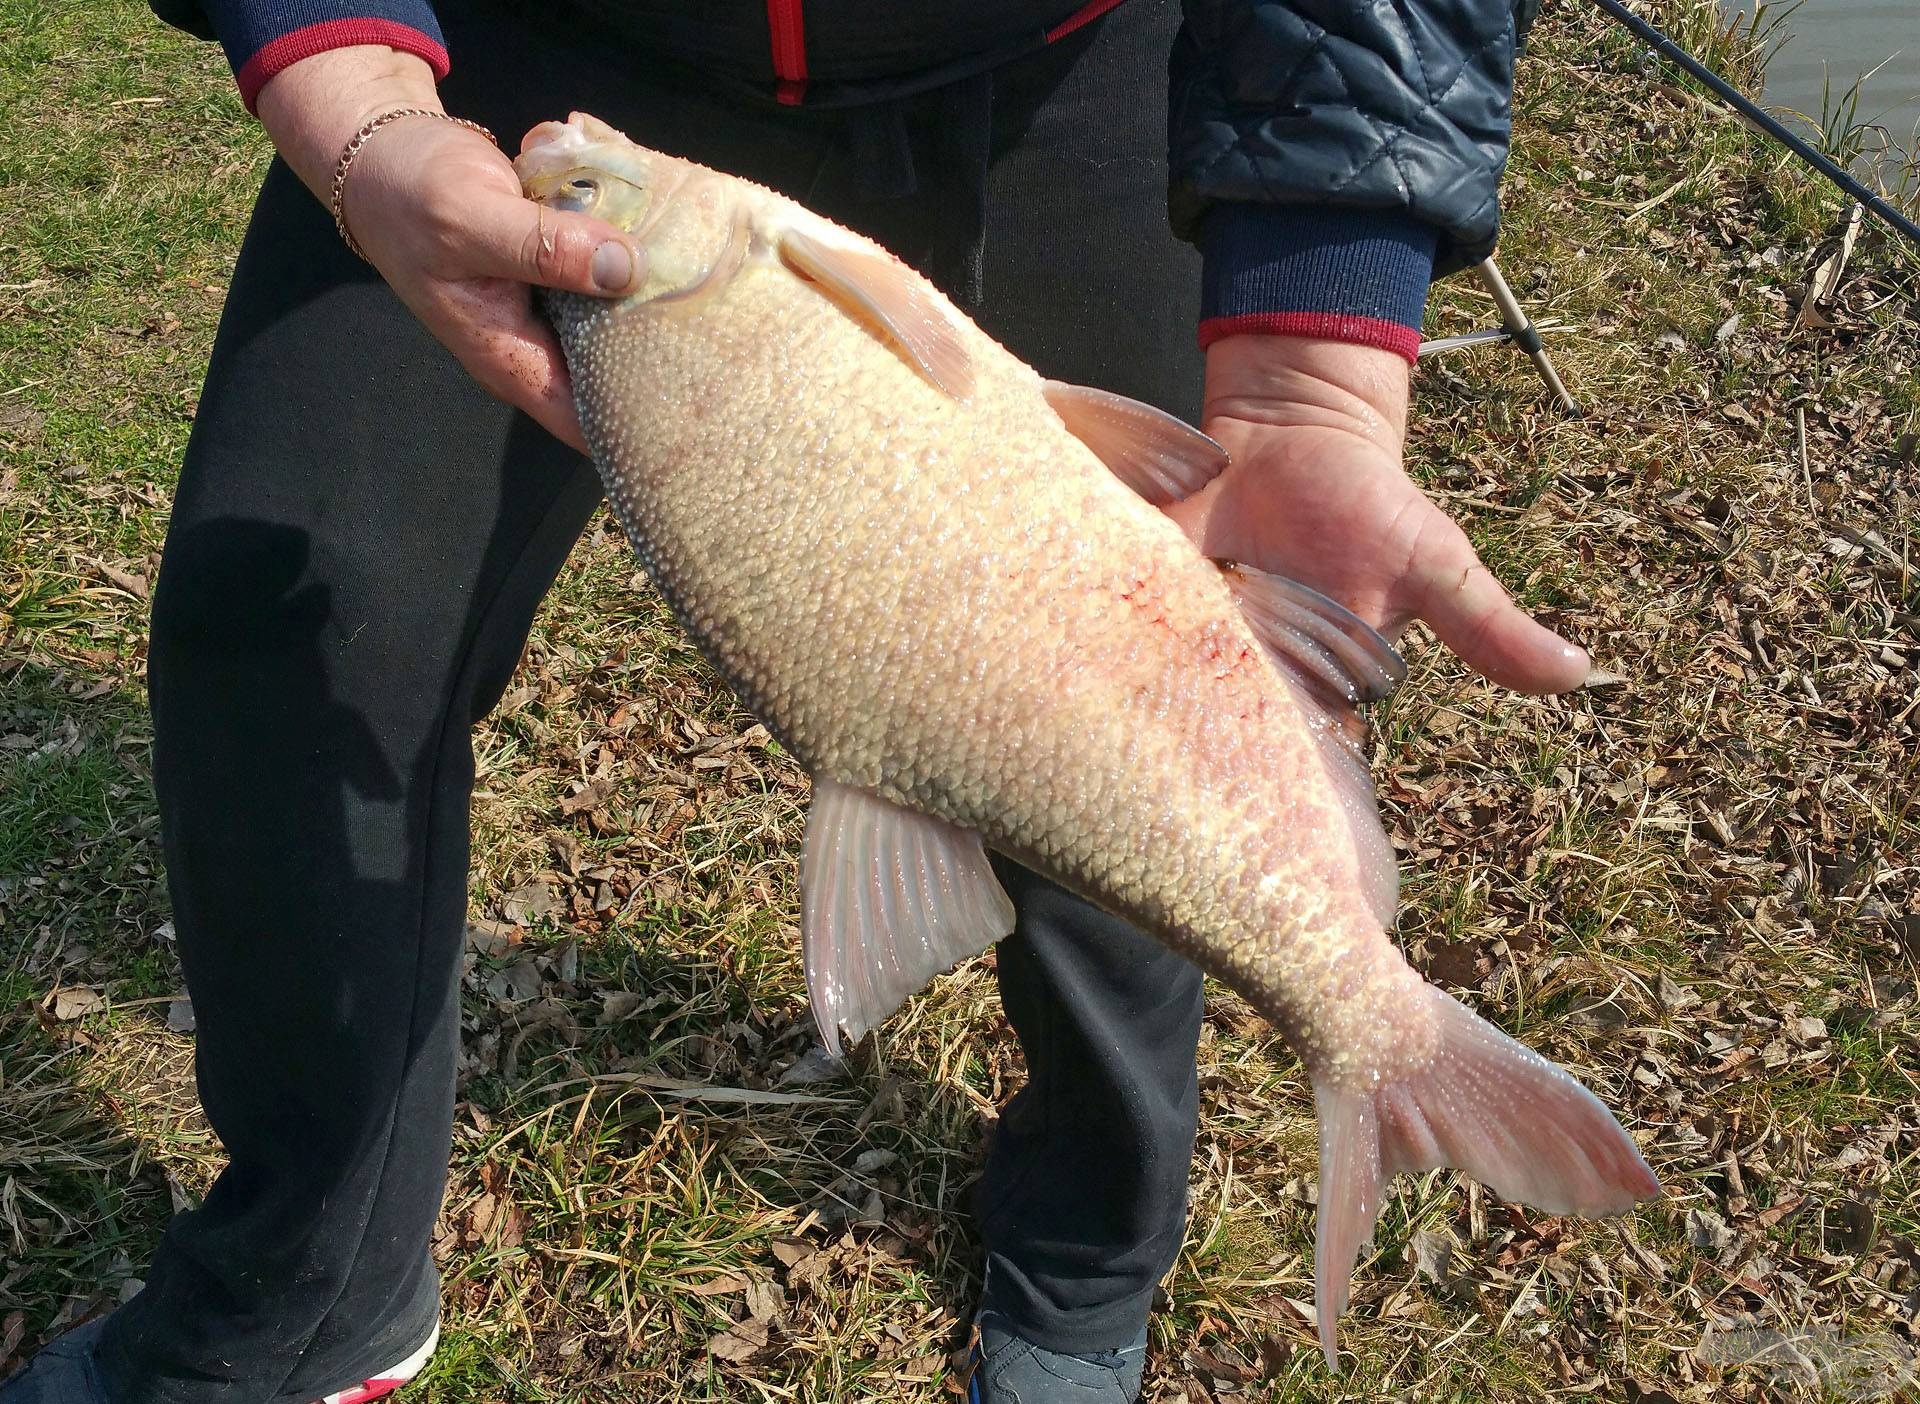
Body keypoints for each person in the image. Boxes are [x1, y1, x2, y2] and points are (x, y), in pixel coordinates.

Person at [4, 0, 1588, 1400]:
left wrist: (1319, 344)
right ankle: (316, 1291)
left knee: (1122, 698)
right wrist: (349, 92)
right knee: (290, 612)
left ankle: (1093, 1248)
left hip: (1064, 54)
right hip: (537, 34)